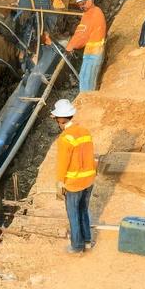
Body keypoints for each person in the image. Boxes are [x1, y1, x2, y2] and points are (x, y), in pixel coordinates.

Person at [51, 99, 96, 254]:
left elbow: (63, 164)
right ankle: (87, 241)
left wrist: (60, 183)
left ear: (60, 120)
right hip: (89, 180)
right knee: (83, 210)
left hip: (74, 183)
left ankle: (77, 246)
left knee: (73, 214)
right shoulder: (85, 132)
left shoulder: (65, 139)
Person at [65, 0, 107, 92]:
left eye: (83, 3)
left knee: (86, 81)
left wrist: (70, 46)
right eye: (80, 4)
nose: (82, 7)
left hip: (94, 54)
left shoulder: (92, 15)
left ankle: (86, 103)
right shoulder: (92, 12)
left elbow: (82, 36)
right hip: (92, 51)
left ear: (91, 0)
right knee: (84, 76)